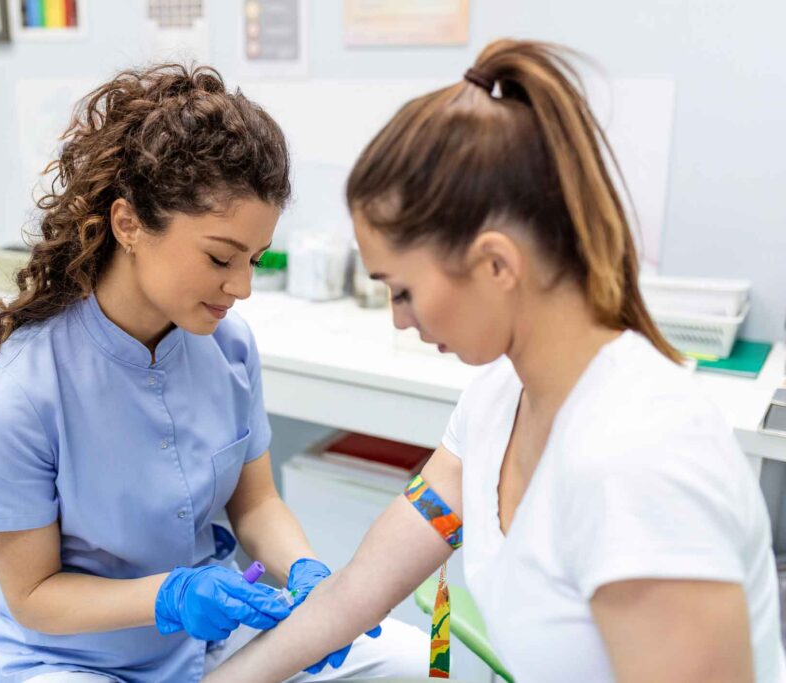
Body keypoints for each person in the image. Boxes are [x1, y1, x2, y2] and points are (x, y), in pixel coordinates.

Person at [204, 39, 786, 683]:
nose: (399, 317)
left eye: (402, 289)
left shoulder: (642, 462)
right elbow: (350, 599)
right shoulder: (499, 399)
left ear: (497, 264)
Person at [0, 63, 427, 683]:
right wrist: (170, 597)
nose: (243, 287)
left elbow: (255, 505)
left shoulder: (227, 346)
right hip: (76, 663)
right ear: (128, 225)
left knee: (407, 661)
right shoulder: (16, 395)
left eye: (254, 260)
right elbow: (34, 596)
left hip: (212, 645)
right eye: (220, 258)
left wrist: (310, 576)